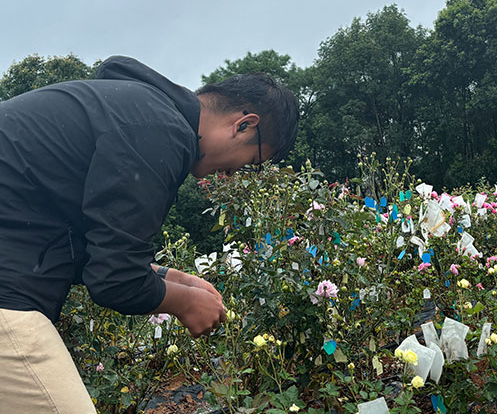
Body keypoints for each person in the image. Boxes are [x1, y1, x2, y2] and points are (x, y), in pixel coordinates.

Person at [0, 56, 299, 413]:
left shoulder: (135, 110)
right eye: (250, 163)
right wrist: (184, 302)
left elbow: (73, 241)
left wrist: (166, 276)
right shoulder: (159, 132)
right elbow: (114, 280)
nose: (233, 175)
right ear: (245, 126)